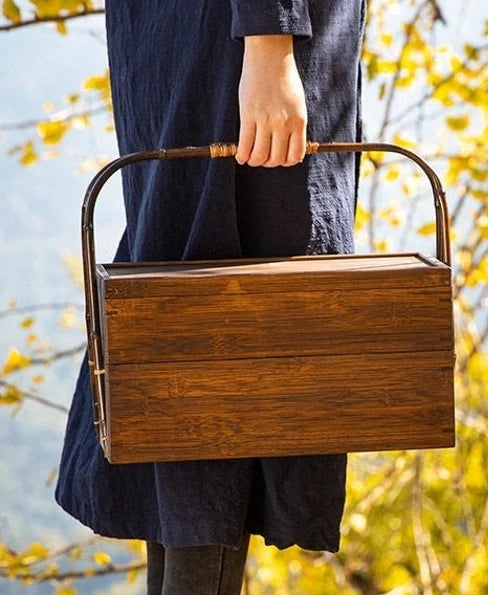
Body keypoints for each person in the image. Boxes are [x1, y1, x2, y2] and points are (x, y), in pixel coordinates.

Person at [55, 1, 367, 592]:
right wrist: (269, 41)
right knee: (222, 344)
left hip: (201, 39)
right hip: (241, 43)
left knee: (189, 322)